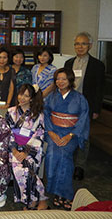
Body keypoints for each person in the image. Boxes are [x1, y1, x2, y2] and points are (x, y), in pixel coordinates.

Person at [44, 68, 89, 211]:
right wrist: (50, 132)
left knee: (64, 155)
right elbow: (45, 114)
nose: (60, 82)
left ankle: (64, 194)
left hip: (71, 133)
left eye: (63, 79)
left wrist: (70, 135)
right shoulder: (51, 97)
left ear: (70, 80)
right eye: (57, 79)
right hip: (54, 131)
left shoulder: (80, 98)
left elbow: (83, 118)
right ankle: (57, 192)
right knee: (52, 154)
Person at [64, 32, 105, 181]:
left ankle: (79, 167)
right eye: (77, 44)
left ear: (90, 46)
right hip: (68, 105)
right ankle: (68, 164)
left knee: (83, 136)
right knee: (68, 134)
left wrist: (96, 109)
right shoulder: (68, 63)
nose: (79, 47)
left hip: (86, 105)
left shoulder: (97, 65)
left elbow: (100, 89)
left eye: (83, 44)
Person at [6, 84, 48, 210]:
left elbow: (39, 135)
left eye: (26, 96)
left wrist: (25, 152)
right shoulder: (11, 112)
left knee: (27, 169)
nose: (22, 98)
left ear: (31, 98)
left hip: (31, 150)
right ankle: (37, 198)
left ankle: (31, 200)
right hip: (13, 148)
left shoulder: (38, 115)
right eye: (20, 94)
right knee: (19, 169)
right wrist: (14, 150)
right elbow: (7, 132)